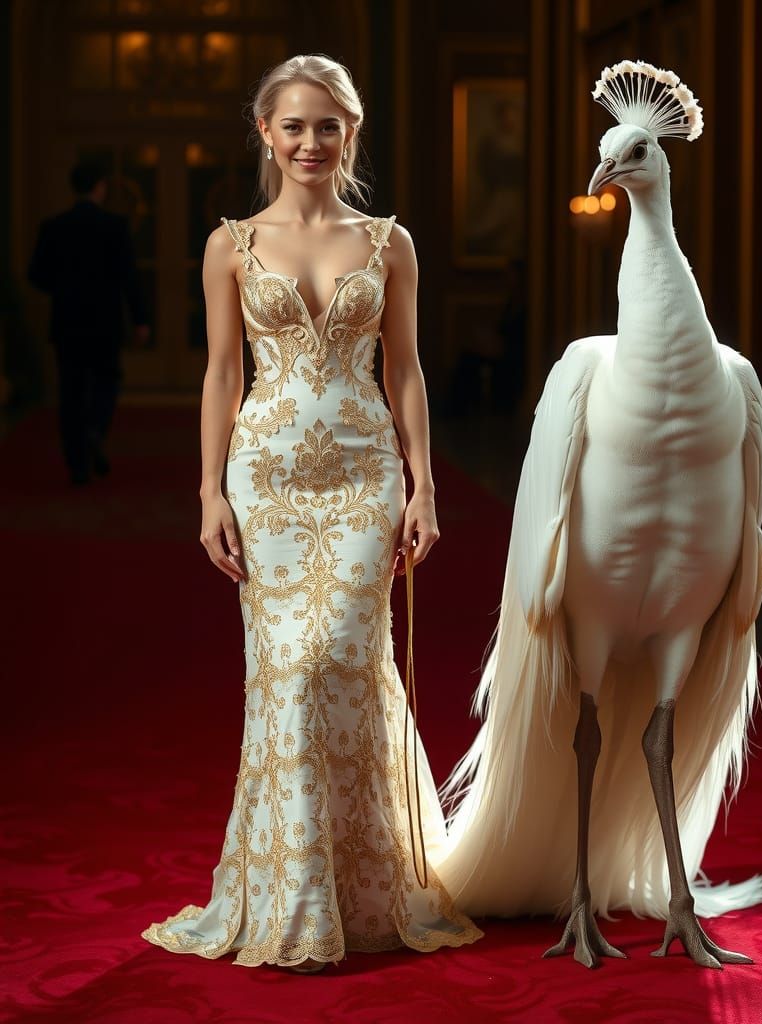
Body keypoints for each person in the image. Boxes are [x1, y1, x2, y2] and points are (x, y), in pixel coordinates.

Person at [141, 54, 482, 972]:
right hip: (268, 481)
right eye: (293, 125)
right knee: (286, 675)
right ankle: (290, 900)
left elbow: (403, 369)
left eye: (327, 126)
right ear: (265, 132)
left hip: (367, 475)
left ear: (351, 133)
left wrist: (425, 485)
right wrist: (210, 491)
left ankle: (366, 892)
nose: (310, 142)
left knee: (342, 663)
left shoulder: (388, 242)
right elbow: (222, 373)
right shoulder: (230, 244)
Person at [28, 161, 149, 485]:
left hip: (67, 320)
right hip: (104, 320)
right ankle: (95, 428)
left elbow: (37, 276)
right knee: (107, 379)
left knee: (70, 391)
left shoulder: (54, 226)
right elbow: (129, 278)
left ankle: (77, 465)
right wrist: (140, 319)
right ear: (100, 187)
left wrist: (64, 287)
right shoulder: (114, 226)